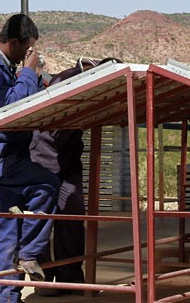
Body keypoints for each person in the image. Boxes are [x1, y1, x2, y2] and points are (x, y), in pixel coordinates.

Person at [0, 14, 60, 303]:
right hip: (0, 156)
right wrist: (28, 71)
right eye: (25, 50)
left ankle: (5, 297)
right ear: (13, 42)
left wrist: (33, 76)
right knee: (48, 185)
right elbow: (9, 107)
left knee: (10, 226)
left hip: (9, 154)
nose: (26, 56)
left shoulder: (3, 64)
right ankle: (29, 254)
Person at [30, 57, 121, 296]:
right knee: (41, 218)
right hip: (43, 157)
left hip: (68, 160)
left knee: (72, 215)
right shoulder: (65, 80)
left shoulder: (93, 85)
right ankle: (45, 278)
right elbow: (51, 120)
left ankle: (70, 275)